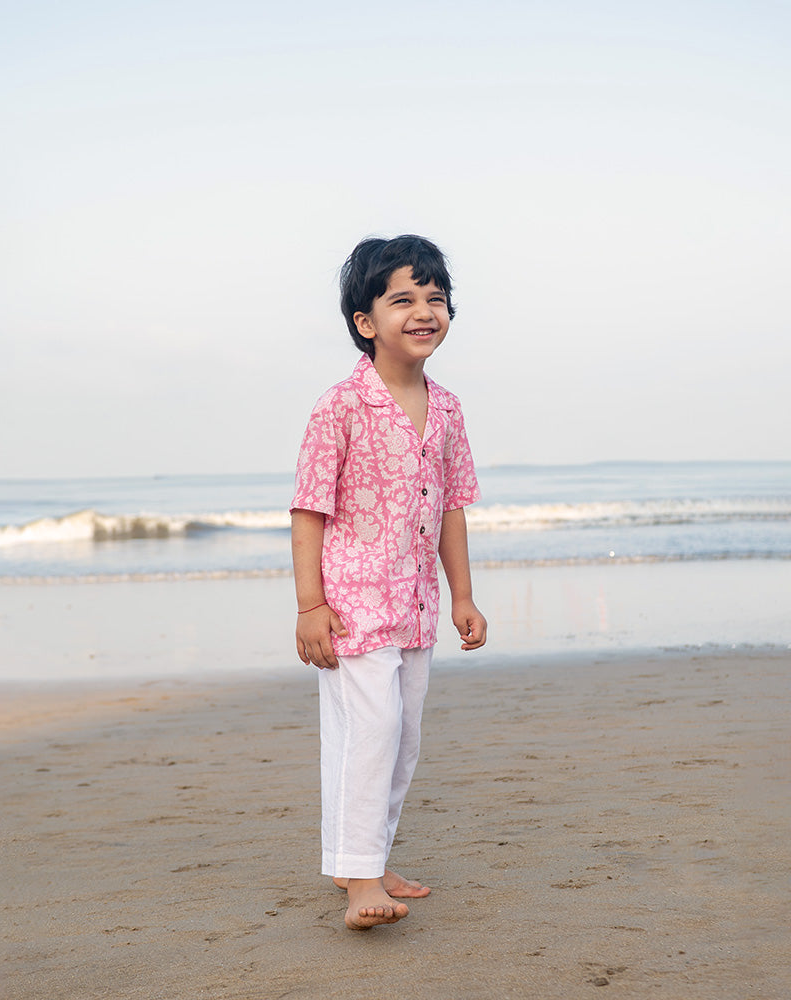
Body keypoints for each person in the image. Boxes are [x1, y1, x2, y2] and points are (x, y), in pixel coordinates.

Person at [290, 234, 487, 930]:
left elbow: (452, 509)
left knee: (401, 738)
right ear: (365, 321)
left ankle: (365, 858)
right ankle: (360, 880)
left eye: (436, 298)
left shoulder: (449, 409)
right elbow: (309, 511)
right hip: (351, 607)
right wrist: (309, 606)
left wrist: (462, 596)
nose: (424, 311)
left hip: (417, 606)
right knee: (368, 734)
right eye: (403, 299)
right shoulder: (340, 406)